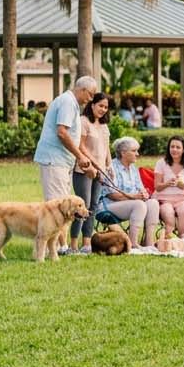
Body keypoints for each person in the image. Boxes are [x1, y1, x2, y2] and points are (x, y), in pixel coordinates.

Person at [35, 76, 103, 253]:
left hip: (62, 162)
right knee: (56, 206)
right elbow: (62, 133)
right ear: (81, 89)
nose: (91, 98)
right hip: (54, 160)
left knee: (61, 204)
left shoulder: (71, 103)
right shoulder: (67, 102)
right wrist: (80, 156)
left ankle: (59, 246)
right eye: (90, 94)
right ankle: (59, 247)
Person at [99, 136, 161, 247]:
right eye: (134, 151)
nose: (137, 154)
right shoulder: (111, 167)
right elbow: (113, 195)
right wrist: (135, 197)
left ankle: (149, 242)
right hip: (109, 205)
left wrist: (144, 194)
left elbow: (140, 187)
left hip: (131, 204)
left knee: (153, 203)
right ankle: (132, 243)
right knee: (139, 205)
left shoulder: (133, 168)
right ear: (123, 153)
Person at [71, 93, 112, 254]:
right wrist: (93, 164)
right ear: (92, 104)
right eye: (100, 105)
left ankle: (86, 243)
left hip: (100, 171)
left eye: (106, 107)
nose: (103, 109)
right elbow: (80, 146)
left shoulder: (104, 125)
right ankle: (73, 244)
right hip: (84, 170)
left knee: (93, 206)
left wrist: (109, 166)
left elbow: (106, 147)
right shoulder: (83, 122)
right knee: (83, 205)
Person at [154, 136, 184, 239]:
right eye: (172, 146)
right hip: (164, 200)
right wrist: (167, 183)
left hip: (183, 200)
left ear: (183, 150)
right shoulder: (161, 163)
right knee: (167, 211)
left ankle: (183, 239)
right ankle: (169, 238)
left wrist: (183, 186)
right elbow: (157, 187)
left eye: (178, 147)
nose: (174, 149)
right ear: (168, 148)